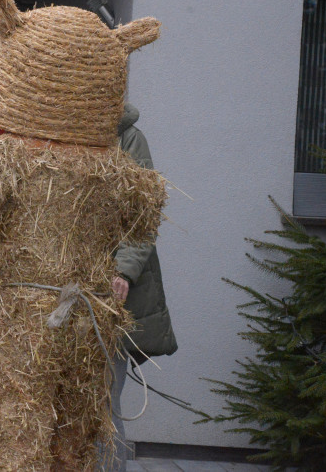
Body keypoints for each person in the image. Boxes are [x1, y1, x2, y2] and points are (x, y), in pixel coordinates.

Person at [103, 103, 178, 471]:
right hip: (57, 291)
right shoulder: (57, 135)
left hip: (107, 294)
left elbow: (144, 214)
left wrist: (124, 272)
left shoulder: (128, 138)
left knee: (102, 401)